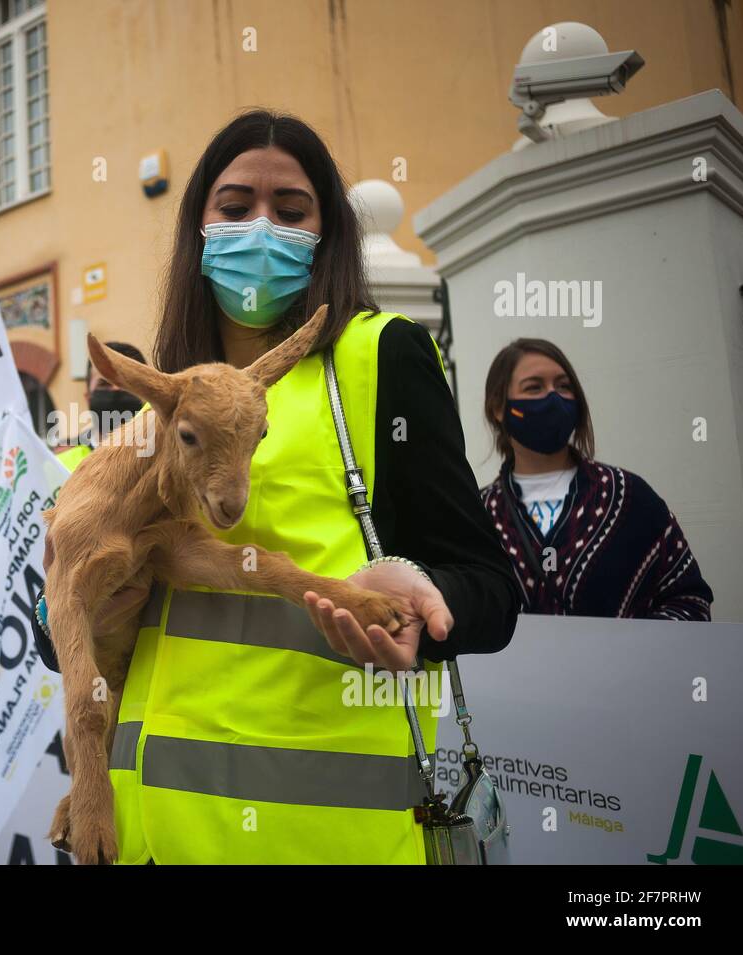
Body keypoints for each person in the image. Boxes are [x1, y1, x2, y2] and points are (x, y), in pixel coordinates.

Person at [32, 109, 519, 864]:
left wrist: (425, 605)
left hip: (324, 840)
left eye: (290, 212)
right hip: (144, 834)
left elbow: (490, 589)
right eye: (234, 208)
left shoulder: (377, 358)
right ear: (199, 228)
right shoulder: (163, 402)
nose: (261, 227)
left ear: (327, 235)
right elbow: (61, 618)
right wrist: (67, 609)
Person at [480, 338, 713, 620]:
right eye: (534, 387)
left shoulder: (630, 497)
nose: (554, 397)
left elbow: (689, 601)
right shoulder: (480, 514)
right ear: (498, 407)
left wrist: (632, 651)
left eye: (564, 386)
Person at [55, 342, 149, 471]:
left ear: (146, 397)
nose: (116, 390)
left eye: (128, 384)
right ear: (88, 397)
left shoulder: (166, 457)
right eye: (104, 384)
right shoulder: (60, 461)